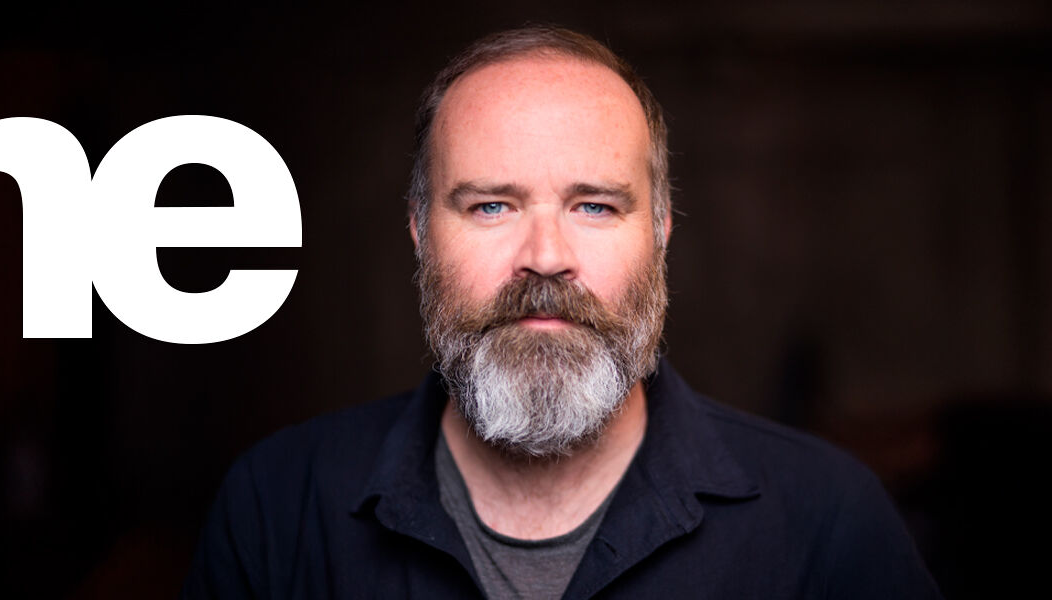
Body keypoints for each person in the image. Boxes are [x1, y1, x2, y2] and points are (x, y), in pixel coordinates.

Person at [184, 26, 941, 599]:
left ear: (661, 233)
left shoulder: (829, 522)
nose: (545, 255)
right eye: (489, 205)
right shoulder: (278, 506)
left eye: (595, 206)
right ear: (420, 232)